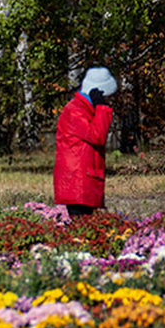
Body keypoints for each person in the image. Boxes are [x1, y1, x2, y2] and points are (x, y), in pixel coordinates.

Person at [53, 66, 117, 219]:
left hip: (82, 179)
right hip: (77, 181)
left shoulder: (84, 109)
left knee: (85, 225)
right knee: (81, 227)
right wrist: (102, 108)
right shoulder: (75, 111)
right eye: (108, 96)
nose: (109, 100)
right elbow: (97, 136)